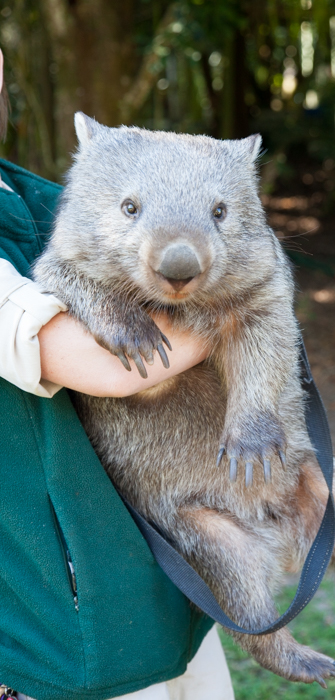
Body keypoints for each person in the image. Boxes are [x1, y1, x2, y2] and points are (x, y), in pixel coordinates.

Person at [0, 48, 235, 700]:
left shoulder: (36, 196)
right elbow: (109, 362)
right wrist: (242, 291)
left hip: (156, 561)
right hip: (56, 610)